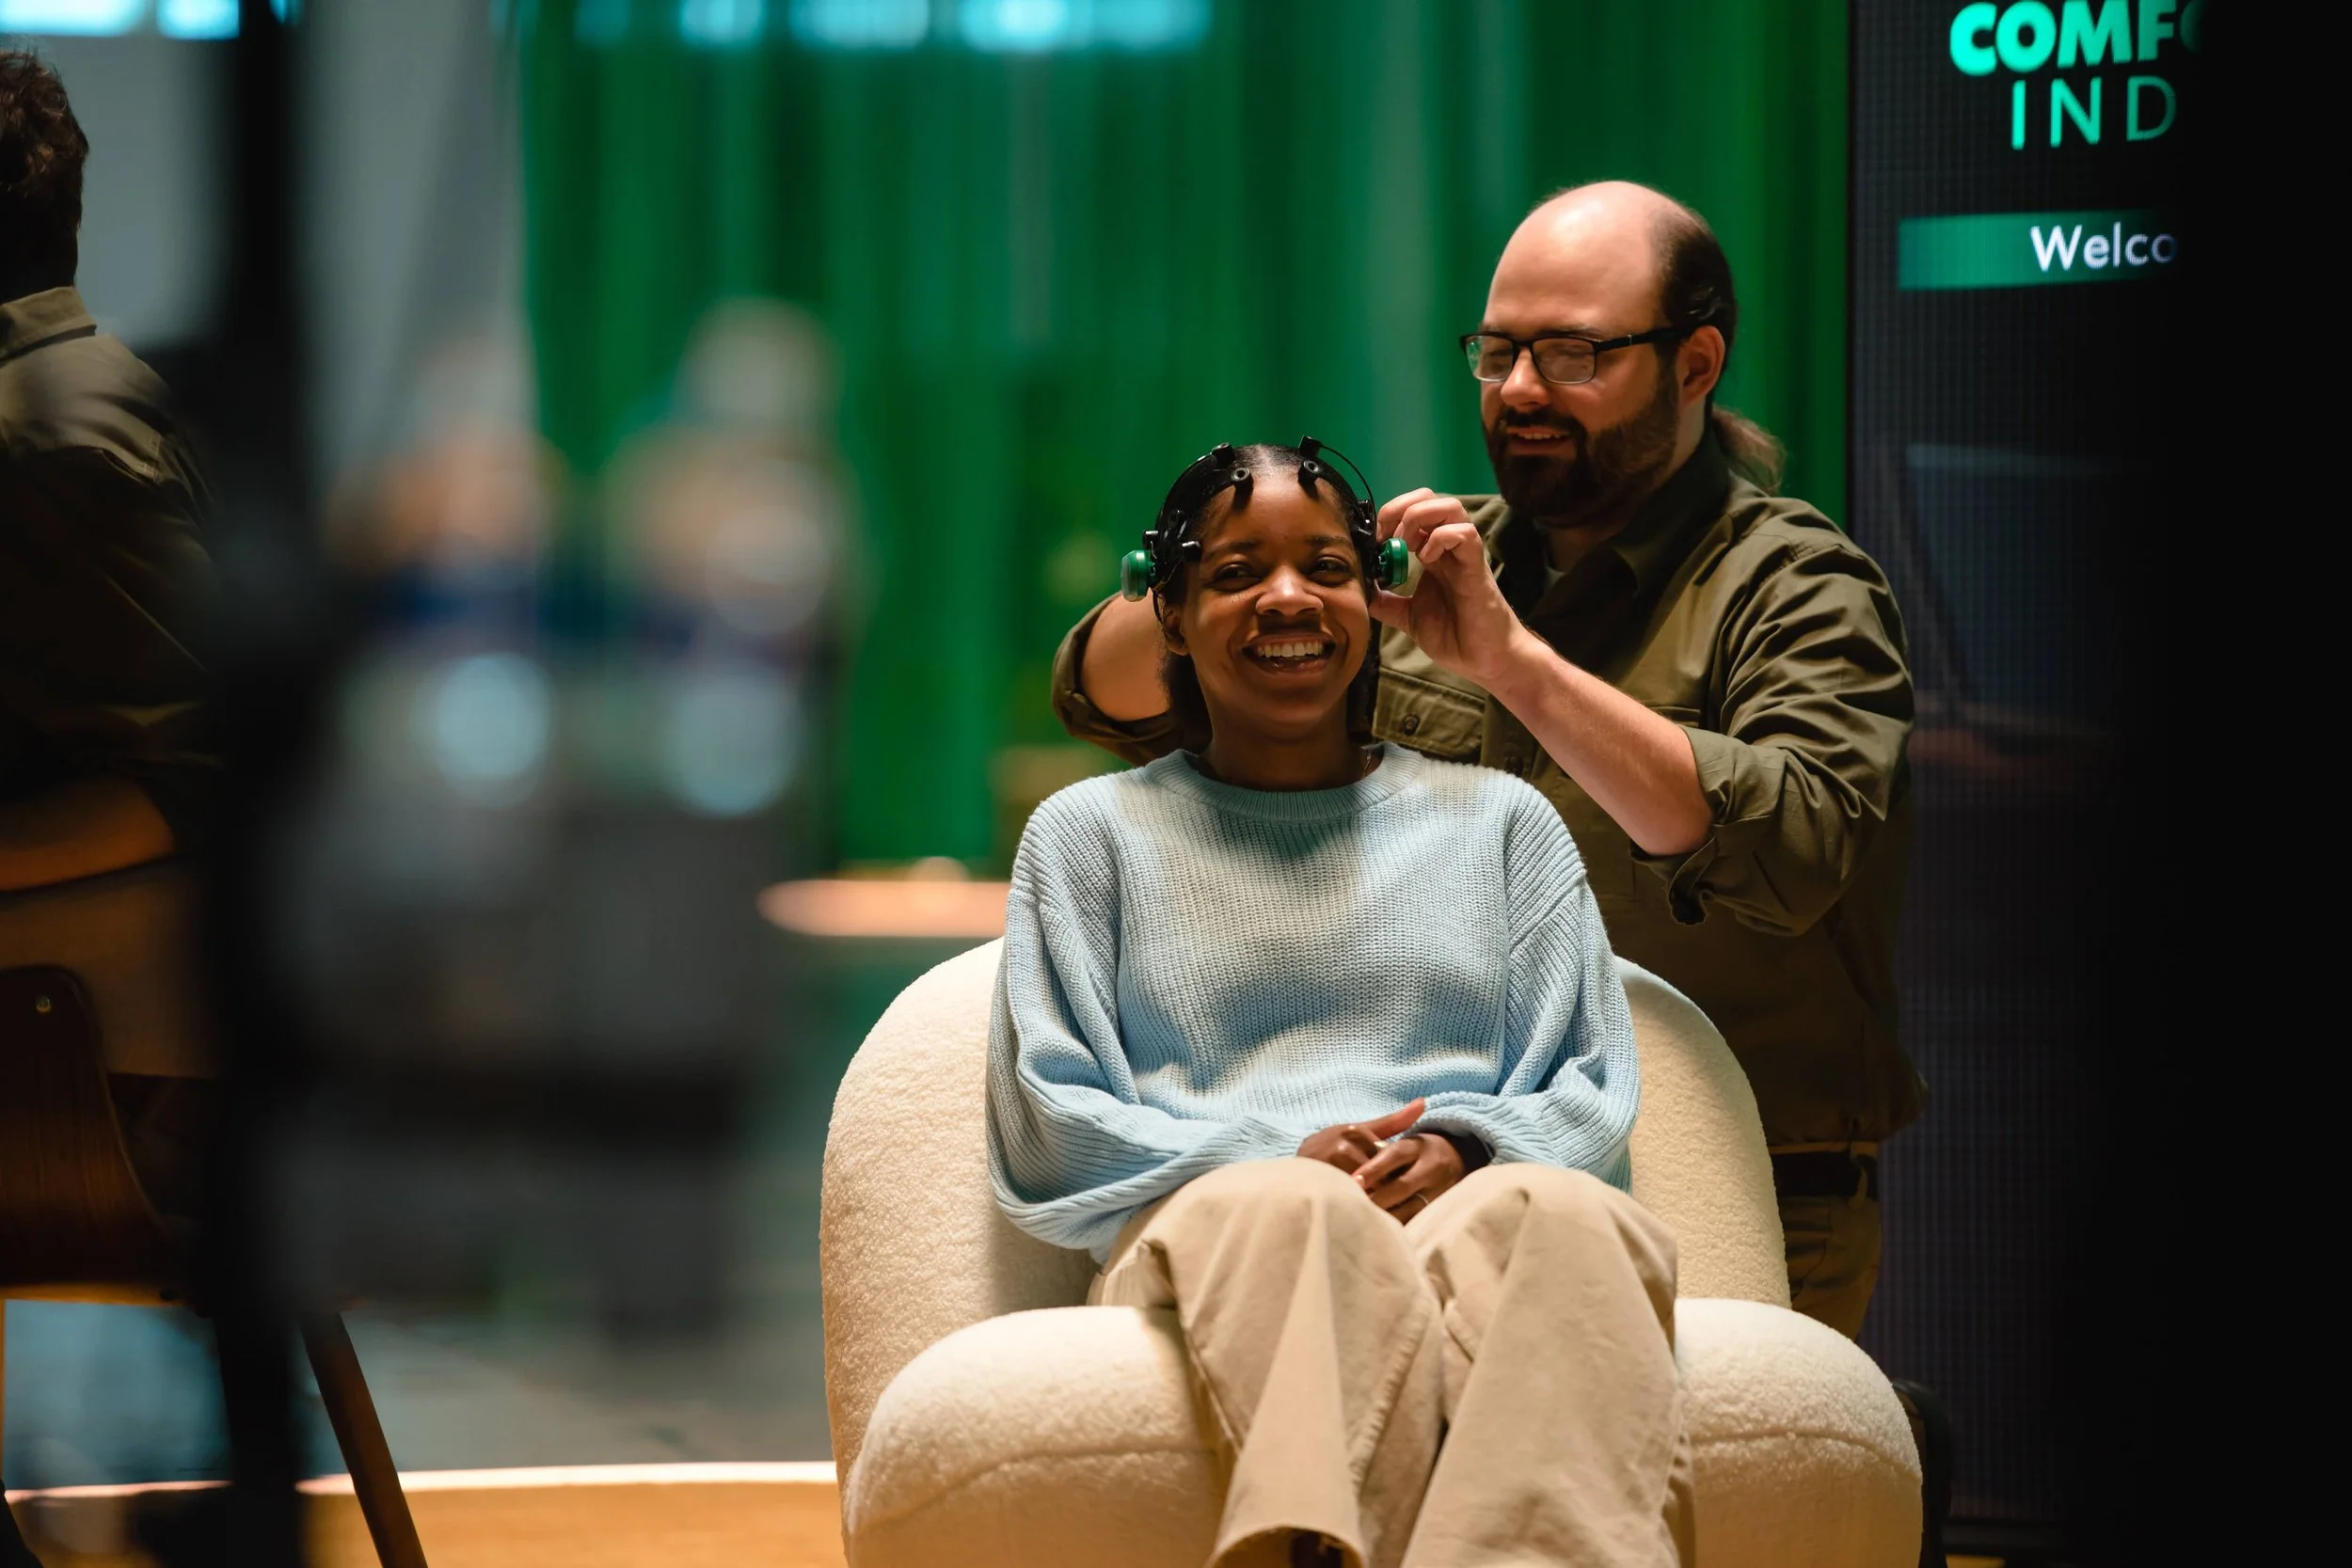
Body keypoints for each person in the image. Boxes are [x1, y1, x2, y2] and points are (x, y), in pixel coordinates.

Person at [1055, 182, 1917, 1338]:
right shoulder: (1429, 562)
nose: (1518, 391)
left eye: (1572, 353)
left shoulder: (1793, 579)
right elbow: (1109, 701)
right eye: (1498, 350)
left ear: (1696, 362)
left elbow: (1795, 849)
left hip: (1744, 1174)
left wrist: (1516, 664)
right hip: (1450, 1173)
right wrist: (1214, 568)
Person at [993, 440, 1688, 1568]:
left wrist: (1469, 1142)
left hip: (1461, 1200)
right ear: (1166, 610)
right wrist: (1280, 1152)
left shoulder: (1502, 822)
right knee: (1296, 1209)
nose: (1285, 598)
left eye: (1325, 565)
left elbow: (1591, 1083)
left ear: (1377, 596)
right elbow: (1049, 1118)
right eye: (1233, 573)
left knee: (1564, 1219)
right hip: (1217, 1212)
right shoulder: (1089, 838)